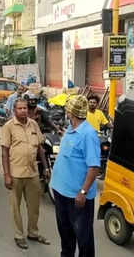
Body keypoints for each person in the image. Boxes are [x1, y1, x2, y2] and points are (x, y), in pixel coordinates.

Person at [50, 95, 100, 257]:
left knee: (83, 238)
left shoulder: (88, 134)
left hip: (77, 198)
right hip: (61, 193)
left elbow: (94, 167)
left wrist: (83, 192)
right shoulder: (71, 129)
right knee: (65, 233)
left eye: (67, 109)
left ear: (71, 112)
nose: (66, 112)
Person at [1, 98, 51, 250]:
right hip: (16, 173)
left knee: (34, 206)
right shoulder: (8, 127)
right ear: (15, 110)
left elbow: (40, 148)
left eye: (25, 108)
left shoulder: (34, 124)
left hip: (33, 172)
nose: (23, 111)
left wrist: (46, 167)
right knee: (16, 207)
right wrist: (6, 175)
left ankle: (33, 233)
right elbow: (4, 152)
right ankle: (19, 235)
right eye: (20, 108)